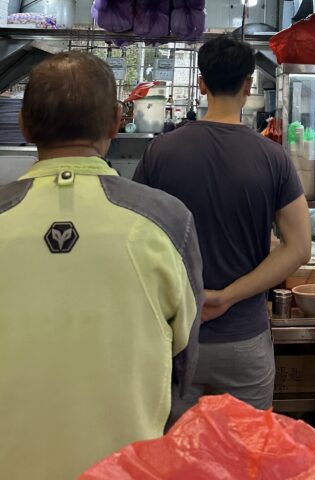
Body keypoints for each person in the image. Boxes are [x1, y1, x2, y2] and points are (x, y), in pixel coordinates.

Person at [0, 53, 203, 480]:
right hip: (127, 469)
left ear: (23, 124)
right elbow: (183, 362)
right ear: (116, 121)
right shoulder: (165, 221)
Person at [134, 35, 311, 411]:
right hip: (243, 343)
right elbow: (299, 248)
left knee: (178, 461)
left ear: (201, 84)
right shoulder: (273, 157)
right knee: (245, 460)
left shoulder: (160, 152)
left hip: (178, 338)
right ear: (248, 86)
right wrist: (227, 297)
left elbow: (135, 238)